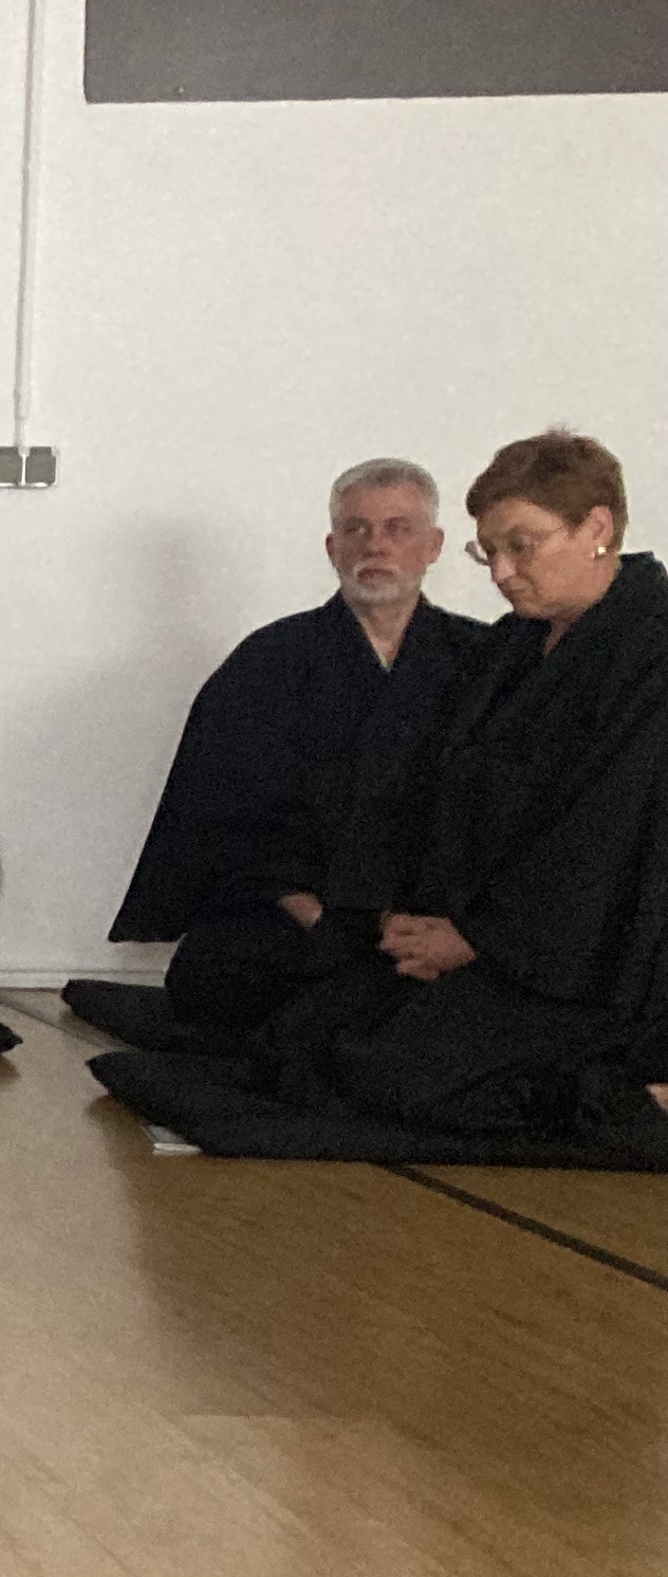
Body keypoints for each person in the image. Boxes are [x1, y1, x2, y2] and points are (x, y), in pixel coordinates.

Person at [268, 430, 668, 1143]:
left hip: (582, 968)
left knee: (392, 1077)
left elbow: (600, 842)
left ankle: (639, 1096)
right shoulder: (513, 646)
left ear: (597, 528)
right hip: (482, 937)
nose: (503, 573)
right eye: (490, 553)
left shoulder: (651, 655)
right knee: (300, 1037)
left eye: (524, 545)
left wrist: (478, 939)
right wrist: (396, 910)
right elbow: (425, 790)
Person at [107, 457, 486, 1034]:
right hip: (304, 917)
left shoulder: (485, 661)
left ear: (433, 545)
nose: (375, 545)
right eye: (357, 529)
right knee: (210, 974)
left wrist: (444, 930)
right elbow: (227, 816)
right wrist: (326, 920)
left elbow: (503, 817)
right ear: (333, 547)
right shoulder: (269, 661)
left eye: (397, 528)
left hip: (437, 926)